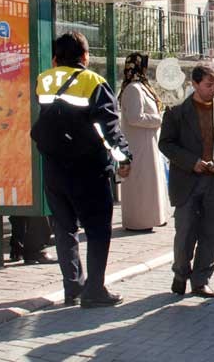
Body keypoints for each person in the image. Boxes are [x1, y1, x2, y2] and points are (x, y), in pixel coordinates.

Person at [36, 31, 131, 307]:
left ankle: (73, 287)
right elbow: (109, 128)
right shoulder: (93, 81)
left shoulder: (44, 80)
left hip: (53, 168)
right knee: (98, 230)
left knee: (65, 229)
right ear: (85, 56)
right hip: (88, 169)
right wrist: (124, 158)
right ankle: (94, 290)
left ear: (56, 57)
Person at [159, 61, 214, 298]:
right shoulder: (176, 113)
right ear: (194, 84)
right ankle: (180, 272)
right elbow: (166, 144)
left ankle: (201, 279)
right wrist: (191, 161)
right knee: (184, 233)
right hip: (187, 181)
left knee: (210, 235)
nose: (213, 89)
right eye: (208, 84)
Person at [118, 52, 169, 232]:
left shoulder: (141, 86)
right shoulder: (133, 89)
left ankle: (151, 217)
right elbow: (134, 117)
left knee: (150, 183)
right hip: (139, 145)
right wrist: (159, 119)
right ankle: (138, 220)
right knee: (141, 184)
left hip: (147, 142)